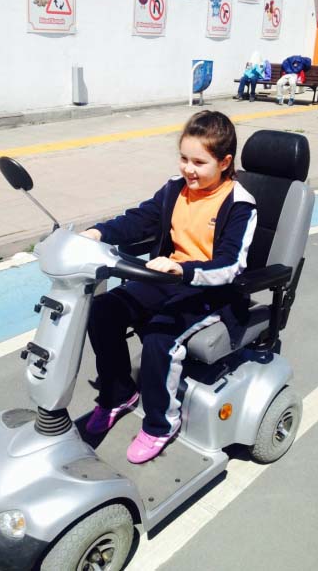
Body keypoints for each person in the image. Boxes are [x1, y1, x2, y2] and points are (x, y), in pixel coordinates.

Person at [82, 111, 257, 464]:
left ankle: (161, 424)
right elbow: (140, 219)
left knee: (159, 338)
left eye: (199, 162)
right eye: (184, 158)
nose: (188, 169)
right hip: (167, 278)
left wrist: (183, 269)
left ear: (224, 162)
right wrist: (99, 233)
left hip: (210, 291)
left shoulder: (240, 204)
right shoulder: (176, 188)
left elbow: (230, 265)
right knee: (102, 311)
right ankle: (119, 394)